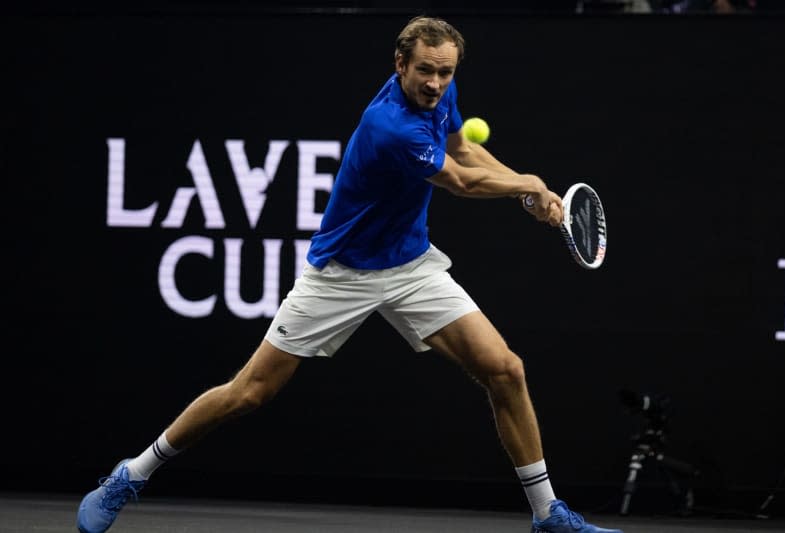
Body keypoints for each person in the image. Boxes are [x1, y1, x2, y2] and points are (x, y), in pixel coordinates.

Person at [76, 15, 623, 533]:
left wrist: (530, 193)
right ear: (399, 65)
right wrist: (526, 184)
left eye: (445, 72)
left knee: (505, 369)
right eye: (425, 71)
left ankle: (546, 511)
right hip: (340, 275)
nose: (435, 83)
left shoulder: (441, 94)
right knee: (249, 394)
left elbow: (464, 149)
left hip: (410, 265)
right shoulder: (390, 127)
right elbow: (461, 181)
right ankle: (134, 472)